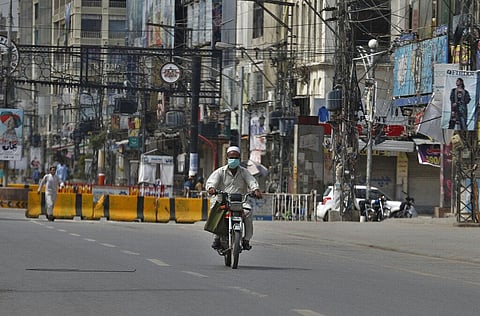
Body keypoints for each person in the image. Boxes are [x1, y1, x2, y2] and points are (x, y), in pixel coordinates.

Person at [205, 146, 262, 251]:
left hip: (240, 202)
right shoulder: (220, 172)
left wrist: (256, 190)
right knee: (217, 213)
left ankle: (246, 240)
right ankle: (217, 237)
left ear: (239, 158)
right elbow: (211, 182)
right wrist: (212, 188)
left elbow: (251, 181)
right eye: (231, 157)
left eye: (236, 157)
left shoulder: (244, 172)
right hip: (223, 200)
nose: (233, 160)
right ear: (227, 158)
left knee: (248, 212)